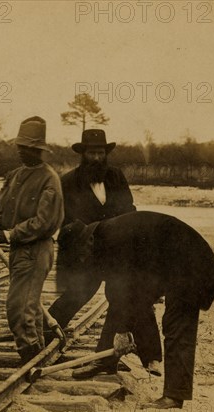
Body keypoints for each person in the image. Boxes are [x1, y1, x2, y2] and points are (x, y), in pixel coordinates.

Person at [58, 211, 214, 409]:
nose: (83, 260)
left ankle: (173, 396)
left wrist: (122, 331)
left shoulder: (113, 238)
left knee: (176, 326)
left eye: (81, 255)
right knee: (122, 303)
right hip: (171, 265)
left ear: (87, 242)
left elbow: (127, 287)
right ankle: (105, 359)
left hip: (190, 268)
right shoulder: (100, 236)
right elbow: (108, 290)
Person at [48, 129, 162, 376]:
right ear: (83, 154)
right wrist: (84, 230)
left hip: (117, 250)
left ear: (106, 154)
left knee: (129, 295)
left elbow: (130, 209)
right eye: (92, 153)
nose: (97, 158)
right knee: (77, 295)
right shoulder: (68, 182)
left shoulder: (116, 177)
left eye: (101, 152)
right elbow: (63, 220)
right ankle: (43, 337)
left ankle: (147, 357)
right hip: (85, 252)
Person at [0, 116, 64, 364]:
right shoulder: (15, 175)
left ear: (37, 149)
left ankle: (31, 358)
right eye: (19, 146)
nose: (20, 151)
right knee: (29, 306)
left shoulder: (49, 179)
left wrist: (9, 234)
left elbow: (45, 221)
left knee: (19, 307)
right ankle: (38, 352)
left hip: (36, 249)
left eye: (25, 147)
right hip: (20, 249)